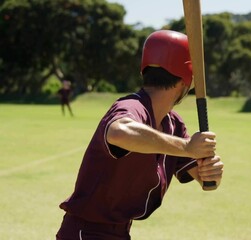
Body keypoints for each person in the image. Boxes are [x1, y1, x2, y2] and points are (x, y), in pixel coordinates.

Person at [56, 30, 224, 239]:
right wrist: (186, 147)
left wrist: (210, 173)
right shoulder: (132, 107)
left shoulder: (174, 124)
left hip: (119, 232)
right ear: (186, 81)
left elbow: (202, 177)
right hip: (87, 231)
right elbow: (118, 132)